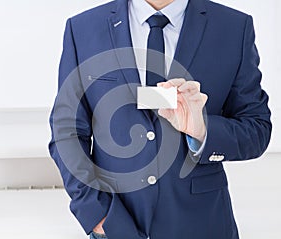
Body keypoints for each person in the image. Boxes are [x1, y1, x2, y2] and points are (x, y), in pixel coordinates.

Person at [49, 0, 272, 238]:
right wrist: (97, 215)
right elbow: (67, 132)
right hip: (115, 224)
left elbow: (257, 128)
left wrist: (203, 130)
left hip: (203, 224)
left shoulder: (233, 27)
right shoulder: (83, 28)